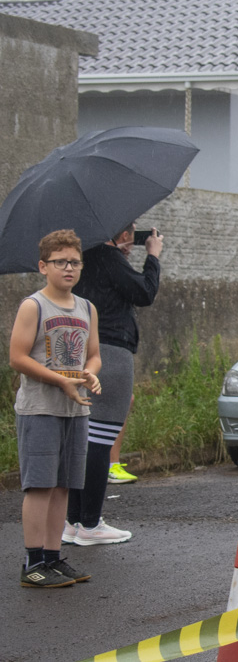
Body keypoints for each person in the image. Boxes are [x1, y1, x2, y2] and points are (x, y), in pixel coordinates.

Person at [10, 229, 102, 587]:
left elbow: (93, 355)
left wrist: (90, 375)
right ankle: (32, 563)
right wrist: (59, 380)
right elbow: (17, 357)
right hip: (40, 408)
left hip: (76, 409)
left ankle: (52, 557)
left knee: (64, 486)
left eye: (75, 262)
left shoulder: (87, 308)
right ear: (43, 266)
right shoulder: (33, 306)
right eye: (60, 262)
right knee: (40, 486)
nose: (69, 268)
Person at [64, 223, 162, 545]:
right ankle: (91, 525)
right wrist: (153, 256)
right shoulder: (107, 256)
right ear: (120, 232)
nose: (133, 237)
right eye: (131, 231)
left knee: (82, 438)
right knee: (101, 438)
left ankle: (73, 521)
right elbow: (144, 292)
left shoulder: (82, 259)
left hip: (79, 350)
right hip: (110, 353)